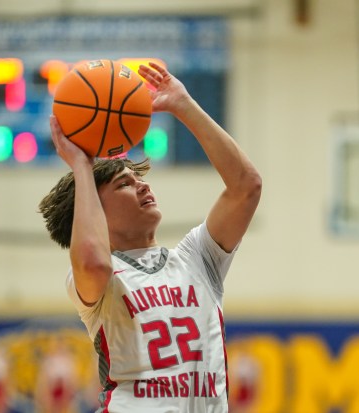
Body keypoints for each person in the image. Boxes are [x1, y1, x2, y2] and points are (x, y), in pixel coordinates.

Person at [38, 62, 262, 412]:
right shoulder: (99, 275)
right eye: (124, 183)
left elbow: (246, 187)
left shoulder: (196, 258)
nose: (142, 184)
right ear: (95, 207)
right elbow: (94, 262)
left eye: (138, 177)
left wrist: (184, 105)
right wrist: (82, 167)